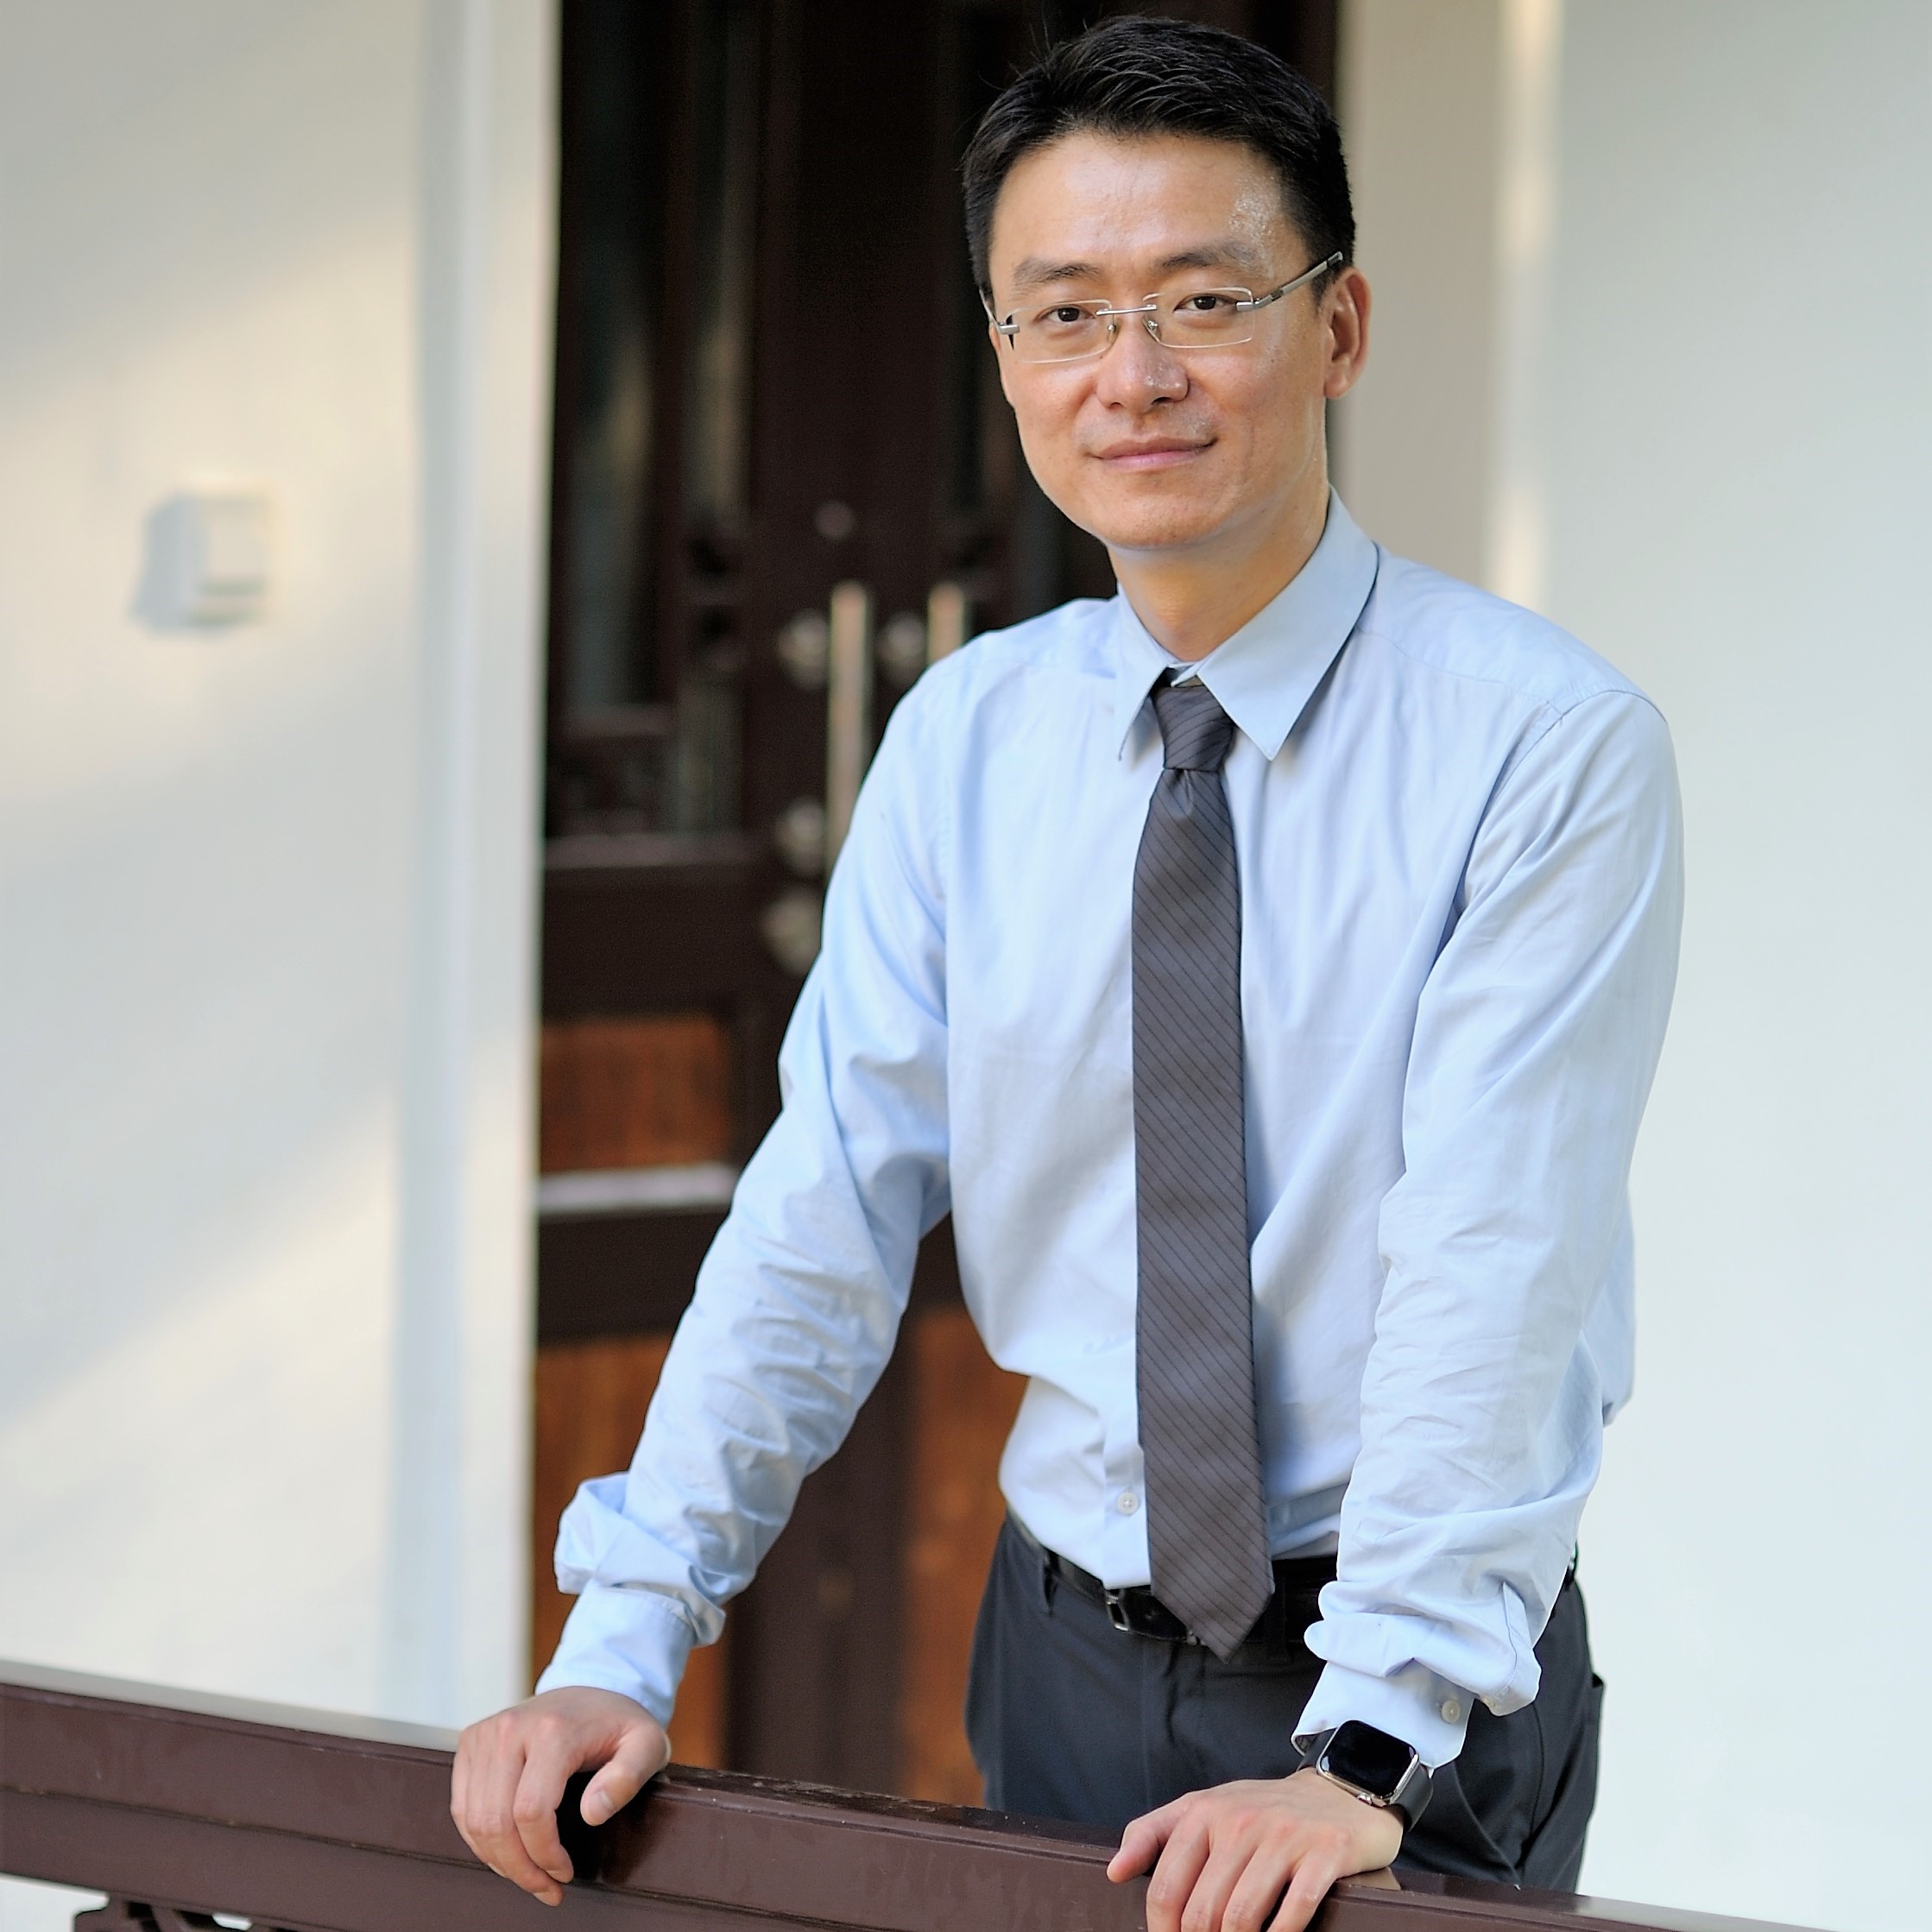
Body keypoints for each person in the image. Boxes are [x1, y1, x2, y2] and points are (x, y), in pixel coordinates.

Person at [451, 18, 1682, 1930]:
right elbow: (825, 1203)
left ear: (1339, 329)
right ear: (1007, 356)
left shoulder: (1543, 746)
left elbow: (1493, 1268)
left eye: (1205, 299)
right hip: (1058, 1644)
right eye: (1064, 314)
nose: (1137, 375)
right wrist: (624, 1630)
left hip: (1412, 1678)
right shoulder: (967, 738)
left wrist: (1361, 1751)